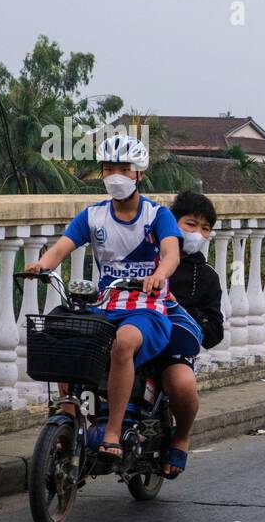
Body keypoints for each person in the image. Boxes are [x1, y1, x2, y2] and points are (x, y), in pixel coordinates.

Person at [26, 134, 181, 465]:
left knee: (124, 344)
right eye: (109, 168)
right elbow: (61, 248)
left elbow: (171, 253)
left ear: (139, 174)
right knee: (59, 330)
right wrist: (42, 266)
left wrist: (159, 275)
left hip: (146, 307)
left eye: (124, 169)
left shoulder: (157, 216)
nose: (116, 176)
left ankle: (111, 431)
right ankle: (68, 409)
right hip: (105, 304)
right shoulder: (93, 216)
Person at [152, 191, 225, 478]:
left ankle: (180, 437)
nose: (197, 233)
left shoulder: (206, 276)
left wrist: (191, 320)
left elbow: (215, 329)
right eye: (190, 224)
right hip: (137, 332)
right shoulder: (148, 257)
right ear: (172, 223)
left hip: (174, 347)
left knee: (183, 385)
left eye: (205, 228)